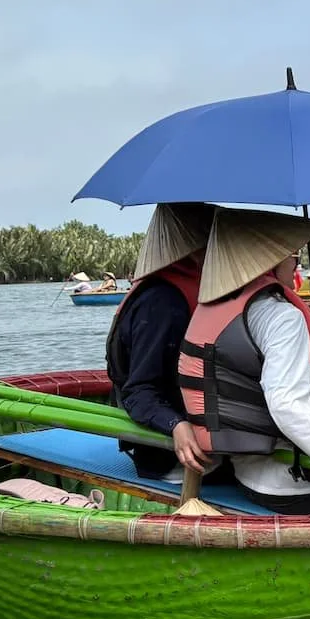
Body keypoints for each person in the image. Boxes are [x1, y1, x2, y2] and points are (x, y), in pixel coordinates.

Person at [177, 209, 310, 513]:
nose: (296, 264)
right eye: (293, 257)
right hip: (293, 486)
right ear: (274, 260)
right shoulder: (281, 317)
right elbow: (285, 404)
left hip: (246, 476)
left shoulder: (215, 306)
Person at [106, 203, 216, 480]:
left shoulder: (192, 286)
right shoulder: (163, 302)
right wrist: (175, 425)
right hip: (173, 456)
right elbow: (139, 390)